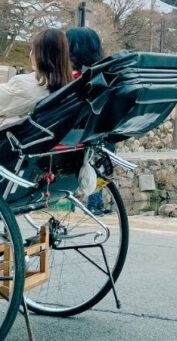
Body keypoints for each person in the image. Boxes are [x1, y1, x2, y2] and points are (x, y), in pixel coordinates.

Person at [66, 27, 105, 214]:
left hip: (68, 137)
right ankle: (96, 206)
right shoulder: (101, 76)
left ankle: (94, 206)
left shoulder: (73, 80)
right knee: (97, 166)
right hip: (95, 135)